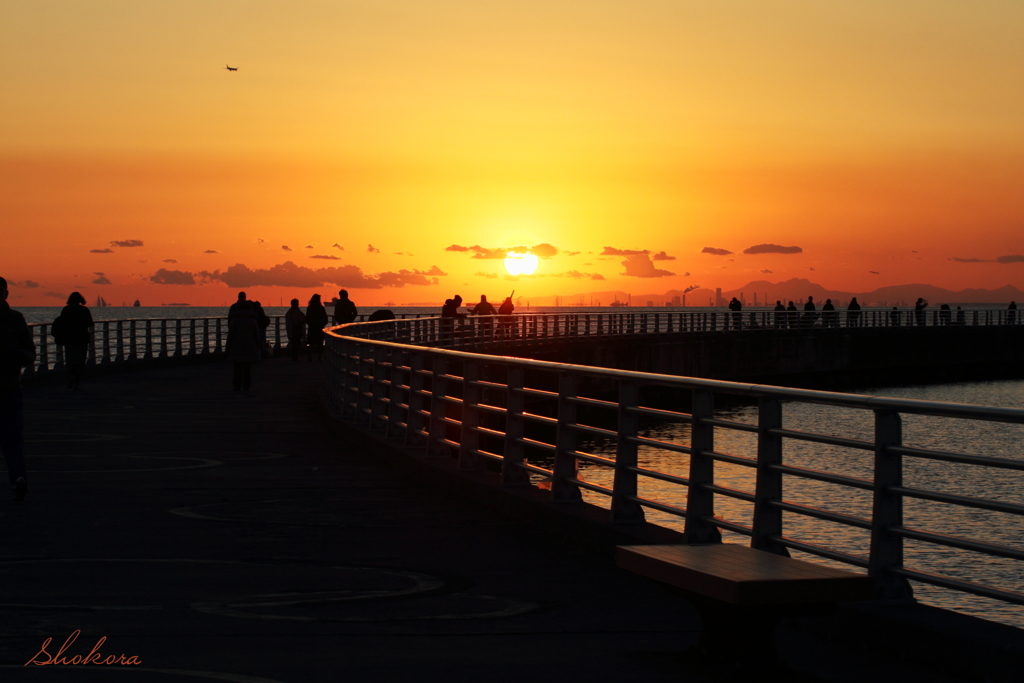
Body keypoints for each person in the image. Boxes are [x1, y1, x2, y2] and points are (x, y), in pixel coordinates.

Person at [0, 277, 34, 501]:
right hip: (9, 386)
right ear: (6, 294)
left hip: (9, 387)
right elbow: (30, 354)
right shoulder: (15, 319)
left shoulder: (15, 319)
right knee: (12, 438)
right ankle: (17, 478)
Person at [53, 292, 93, 390]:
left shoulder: (66, 310)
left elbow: (61, 323)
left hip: (69, 338)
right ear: (81, 299)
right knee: (80, 360)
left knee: (70, 359)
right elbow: (89, 323)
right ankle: (77, 382)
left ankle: (71, 375)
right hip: (81, 338)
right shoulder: (84, 310)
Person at [226, 300, 261, 391]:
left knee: (237, 367)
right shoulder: (252, 320)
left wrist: (228, 347)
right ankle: (246, 385)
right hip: (249, 345)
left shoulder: (234, 319)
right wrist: (258, 346)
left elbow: (230, 335)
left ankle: (236, 385)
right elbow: (256, 334)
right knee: (247, 367)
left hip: (236, 346)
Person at [305, 294, 329, 361]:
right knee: (320, 343)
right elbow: (325, 318)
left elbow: (307, 318)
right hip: (319, 328)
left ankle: (309, 355)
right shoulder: (321, 308)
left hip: (312, 328)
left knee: (311, 343)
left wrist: (310, 324)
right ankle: (319, 356)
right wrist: (322, 324)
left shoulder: (310, 308)